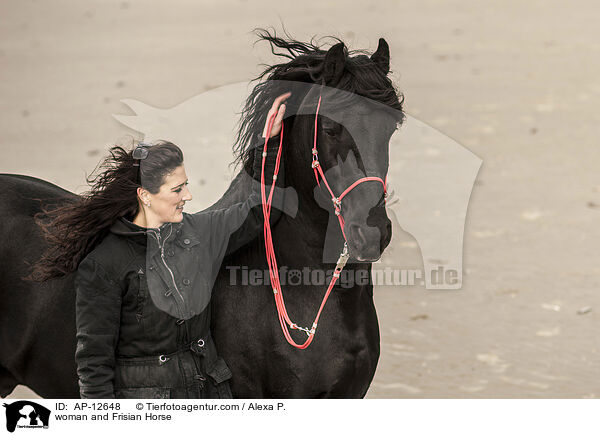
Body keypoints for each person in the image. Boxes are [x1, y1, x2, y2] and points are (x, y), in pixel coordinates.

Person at [31, 92, 290, 399]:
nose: (188, 196)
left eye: (187, 186)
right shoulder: (103, 265)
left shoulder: (199, 231)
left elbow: (262, 210)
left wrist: (268, 145)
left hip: (210, 397)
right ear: (145, 195)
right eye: (178, 189)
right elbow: (93, 363)